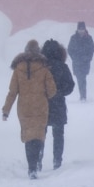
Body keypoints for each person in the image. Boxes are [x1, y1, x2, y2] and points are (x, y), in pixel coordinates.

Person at [2, 39, 57, 179]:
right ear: (38, 51)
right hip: (40, 107)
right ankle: (36, 162)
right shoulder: (44, 68)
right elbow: (52, 91)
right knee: (38, 136)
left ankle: (31, 168)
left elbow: (12, 92)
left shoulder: (18, 69)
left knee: (28, 137)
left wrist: (6, 110)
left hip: (24, 108)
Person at [40, 39, 75, 170]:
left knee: (40, 134)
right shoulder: (62, 66)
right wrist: (58, 93)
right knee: (58, 135)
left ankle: (38, 160)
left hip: (42, 105)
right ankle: (57, 160)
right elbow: (70, 86)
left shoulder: (40, 67)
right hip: (58, 105)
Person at [67, 21, 94, 102]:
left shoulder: (89, 38)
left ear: (85, 29)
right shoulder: (73, 38)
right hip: (77, 62)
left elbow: (92, 49)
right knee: (80, 78)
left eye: (82, 29)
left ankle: (83, 96)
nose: (81, 31)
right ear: (77, 29)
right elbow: (70, 50)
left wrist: (88, 58)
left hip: (85, 62)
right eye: (80, 29)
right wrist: (74, 58)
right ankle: (83, 95)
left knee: (83, 78)